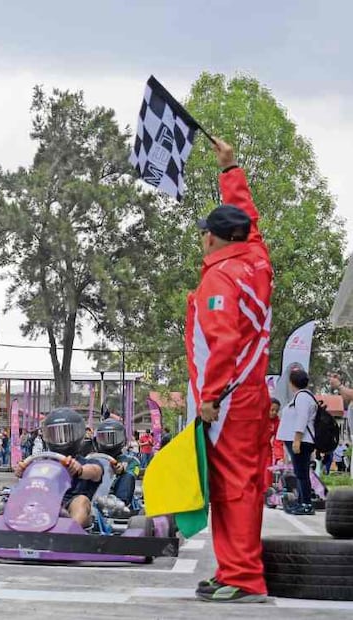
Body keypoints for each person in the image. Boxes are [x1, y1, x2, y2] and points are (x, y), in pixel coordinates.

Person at [190, 138, 273, 604]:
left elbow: (222, 343)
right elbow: (250, 220)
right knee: (248, 483)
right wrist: (230, 169)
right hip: (253, 393)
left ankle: (242, 577)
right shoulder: (256, 260)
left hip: (230, 400)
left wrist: (210, 397)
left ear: (212, 238)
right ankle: (235, 570)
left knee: (233, 487)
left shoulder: (219, 278)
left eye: (206, 232)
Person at [15, 408, 104, 529]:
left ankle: (69, 532)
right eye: (55, 434)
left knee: (81, 501)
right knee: (17, 497)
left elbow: (95, 471)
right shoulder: (42, 464)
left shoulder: (88, 463)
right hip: (44, 506)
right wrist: (24, 472)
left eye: (66, 434)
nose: (61, 439)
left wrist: (80, 470)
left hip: (72, 507)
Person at [277, 367, 318, 515]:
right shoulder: (302, 396)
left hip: (301, 440)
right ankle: (301, 502)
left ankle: (306, 504)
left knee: (301, 473)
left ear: (291, 382)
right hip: (300, 440)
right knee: (300, 472)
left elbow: (302, 418)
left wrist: (297, 440)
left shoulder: (302, 397)